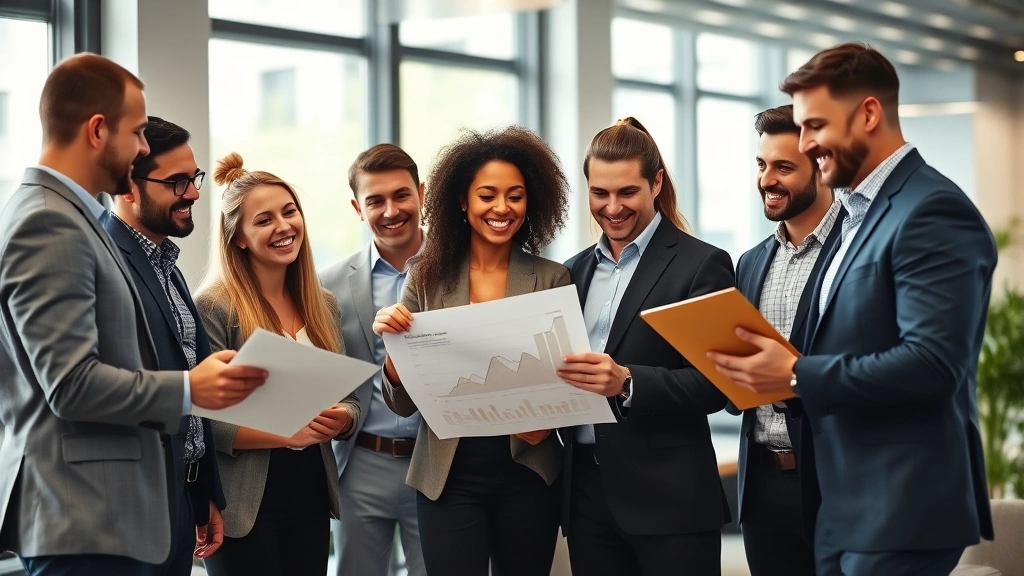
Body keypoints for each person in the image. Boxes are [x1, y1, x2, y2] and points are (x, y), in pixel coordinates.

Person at [708, 42, 997, 576]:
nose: (810, 142)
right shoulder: (862, 215)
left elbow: (935, 364)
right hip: (844, 506)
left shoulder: (931, 209)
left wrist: (794, 373)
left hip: (900, 504)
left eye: (816, 125)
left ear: (868, 113)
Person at [0, 53, 266, 576]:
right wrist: (190, 388)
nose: (144, 147)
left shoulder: (77, 218)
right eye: (139, 133)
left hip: (115, 515)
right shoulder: (48, 223)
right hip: (85, 518)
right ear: (98, 130)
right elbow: (71, 384)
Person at [373, 126, 571, 576]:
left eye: (515, 196)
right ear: (462, 201)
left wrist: (552, 418)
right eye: (487, 195)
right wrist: (394, 354)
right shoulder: (425, 276)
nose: (502, 208)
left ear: (531, 202)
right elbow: (401, 402)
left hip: (528, 469)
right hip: (447, 474)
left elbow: (569, 378)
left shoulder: (553, 278)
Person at [558, 117, 735, 576]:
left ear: (656, 183)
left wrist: (628, 382)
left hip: (670, 501)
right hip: (585, 497)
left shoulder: (702, 266)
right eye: (600, 193)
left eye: (627, 192)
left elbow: (717, 385)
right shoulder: (571, 273)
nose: (612, 207)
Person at [196, 153, 361, 576]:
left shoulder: (323, 303)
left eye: (289, 212)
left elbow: (349, 398)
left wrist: (342, 418)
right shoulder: (214, 307)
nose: (284, 226)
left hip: (310, 494)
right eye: (264, 219)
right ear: (239, 238)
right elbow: (203, 420)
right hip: (244, 503)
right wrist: (285, 432)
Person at [102, 116, 228, 573]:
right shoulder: (104, 261)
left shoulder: (168, 266)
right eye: (177, 182)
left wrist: (203, 492)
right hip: (128, 507)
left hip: (179, 496)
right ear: (128, 187)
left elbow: (188, 384)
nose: (194, 193)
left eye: (193, 178)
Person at [732, 104, 841, 576]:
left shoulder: (855, 252)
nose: (767, 179)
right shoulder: (750, 263)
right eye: (761, 165)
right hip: (761, 482)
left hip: (835, 480)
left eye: (783, 167)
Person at [321, 144, 427, 576]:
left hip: (435, 463)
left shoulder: (459, 272)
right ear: (356, 208)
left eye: (401, 195)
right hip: (361, 462)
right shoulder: (326, 284)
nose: (390, 210)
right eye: (375, 200)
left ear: (421, 193)